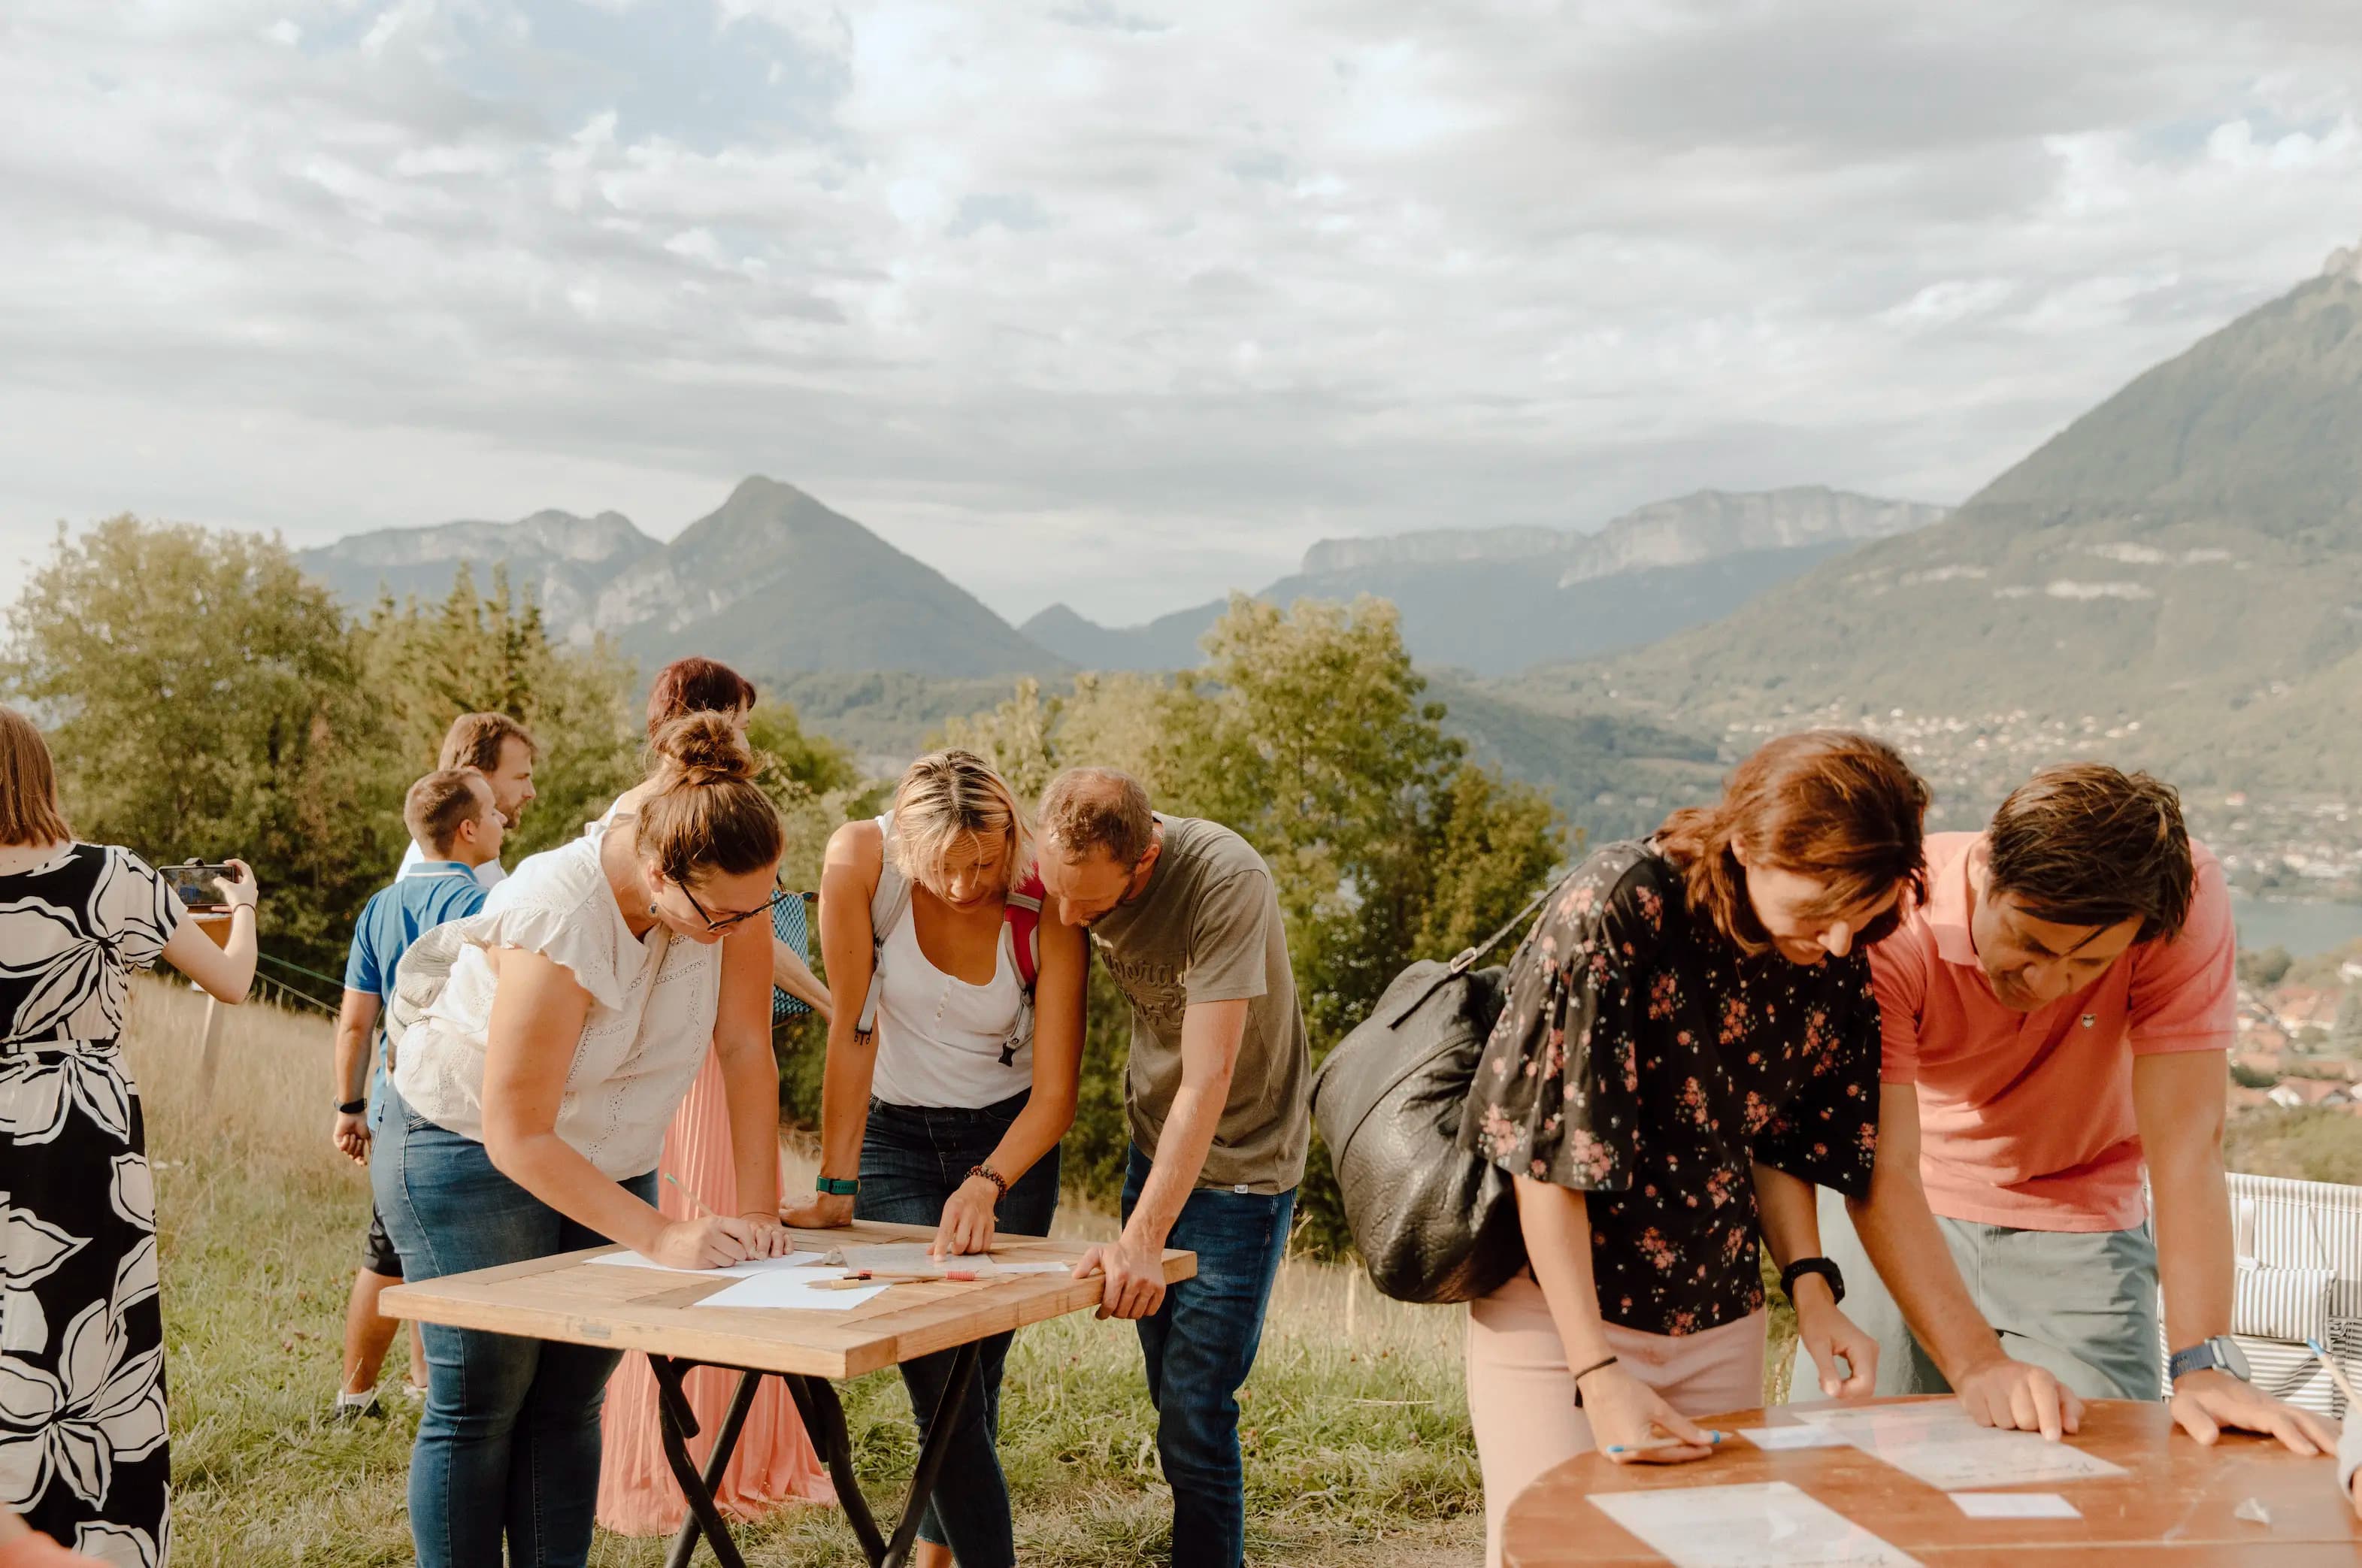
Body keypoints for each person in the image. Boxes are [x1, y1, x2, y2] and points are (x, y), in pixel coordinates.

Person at [1458, 731, 1925, 1568]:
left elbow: (1781, 1136)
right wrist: (1595, 1375)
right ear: (1747, 843)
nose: (1843, 939)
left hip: (1719, 1319)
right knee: (1554, 1555)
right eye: (1821, 906)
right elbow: (1545, 1160)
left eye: (1865, 910)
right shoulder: (1619, 904)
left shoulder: (1832, 940)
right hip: (1558, 1318)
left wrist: (1812, 1295)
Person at [1810, 763, 2339, 1457]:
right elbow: (1886, 1169)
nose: (2048, 982)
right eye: (2029, 944)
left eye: (2086, 964)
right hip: (1904, 1197)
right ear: (1986, 874)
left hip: (2081, 1207)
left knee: (2113, 1472)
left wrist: (2202, 1362)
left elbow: (2186, 1149)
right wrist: (1974, 1363)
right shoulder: (1894, 927)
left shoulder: (2181, 900)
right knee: (1860, 1469)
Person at [374, 713, 795, 1568]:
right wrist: (664, 1233)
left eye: (756, 911)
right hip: (465, 1144)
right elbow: (517, 1130)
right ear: (655, 872)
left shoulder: (732, 885)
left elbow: (747, 1047)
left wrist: (759, 1217)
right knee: (482, 1395)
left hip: (611, 1152)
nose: (737, 931)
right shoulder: (557, 910)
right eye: (720, 917)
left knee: (571, 1396)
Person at [783, 750, 1089, 1568]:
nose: (963, 884)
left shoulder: (1042, 895)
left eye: (984, 863)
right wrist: (834, 1188)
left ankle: (931, 1555)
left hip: (1008, 1145)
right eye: (944, 867)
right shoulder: (859, 862)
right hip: (895, 1141)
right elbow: (853, 1026)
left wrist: (990, 1179)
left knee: (973, 1381)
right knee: (939, 1378)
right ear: (906, 848)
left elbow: (1057, 1094)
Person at [0, 707, 261, 1557]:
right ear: (40, 774)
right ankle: (102, 1541)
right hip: (84, 1129)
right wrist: (244, 909)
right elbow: (228, 982)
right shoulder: (112, 875)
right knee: (97, 1331)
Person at [1030, 767, 1307, 1568]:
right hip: (1156, 1146)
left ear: (1142, 862)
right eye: (1055, 889)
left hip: (1244, 1165)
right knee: (1170, 1396)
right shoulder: (1068, 871)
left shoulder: (1225, 879)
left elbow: (1210, 1077)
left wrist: (1142, 1239)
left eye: (1087, 901)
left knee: (1195, 1411)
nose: (1067, 915)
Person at [597, 657, 835, 1536]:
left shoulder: (734, 829)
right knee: (670, 1244)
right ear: (700, 721)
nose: (746, 736)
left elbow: (748, 989)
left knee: (740, 1231)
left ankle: (743, 1447)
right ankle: (663, 1453)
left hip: (725, 1049)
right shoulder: (641, 826)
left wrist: (765, 1201)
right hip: (655, 1068)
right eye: (737, 717)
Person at [329, 768, 505, 1418]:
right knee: (466, 1256)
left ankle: (356, 1393)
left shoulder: (380, 905)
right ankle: (450, 1396)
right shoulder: (483, 909)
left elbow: (355, 1022)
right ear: (466, 830)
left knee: (387, 1249)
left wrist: (351, 1107)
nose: (502, 821)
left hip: (390, 1102)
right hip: (460, 1104)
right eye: (492, 812)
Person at [395, 712, 538, 888]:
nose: (531, 792)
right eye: (520, 778)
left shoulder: (436, 861)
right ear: (475, 777)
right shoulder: (459, 867)